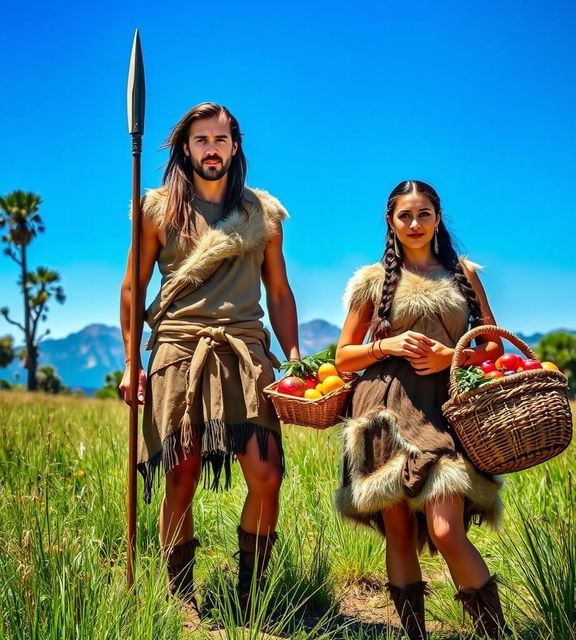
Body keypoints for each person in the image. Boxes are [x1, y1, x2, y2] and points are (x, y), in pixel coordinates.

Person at [119, 102, 299, 628]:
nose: (212, 149)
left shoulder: (261, 214)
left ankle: (252, 596)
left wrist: (292, 359)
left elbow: (281, 293)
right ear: (186, 148)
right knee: (181, 473)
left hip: (245, 349)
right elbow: (133, 287)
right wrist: (132, 362)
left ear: (235, 146)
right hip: (177, 349)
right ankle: (180, 598)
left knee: (267, 475)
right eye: (202, 140)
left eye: (221, 139)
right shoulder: (156, 210)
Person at [334, 180, 509, 639]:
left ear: (437, 218)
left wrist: (453, 357)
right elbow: (343, 356)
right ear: (391, 222)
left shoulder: (463, 274)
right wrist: (385, 344)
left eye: (424, 214)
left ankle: (496, 634)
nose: (414, 224)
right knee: (398, 530)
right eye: (405, 216)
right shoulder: (371, 281)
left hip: (444, 410)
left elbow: (492, 343)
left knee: (446, 528)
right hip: (383, 413)